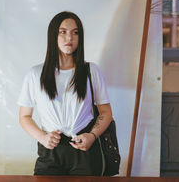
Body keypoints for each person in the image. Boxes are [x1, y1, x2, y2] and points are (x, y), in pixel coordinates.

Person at [18, 11, 113, 176]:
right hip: (51, 152)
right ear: (53, 35)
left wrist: (92, 136)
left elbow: (106, 112)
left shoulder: (91, 71)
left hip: (84, 151)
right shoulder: (35, 74)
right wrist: (42, 137)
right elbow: (24, 116)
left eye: (75, 33)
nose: (69, 38)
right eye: (63, 32)